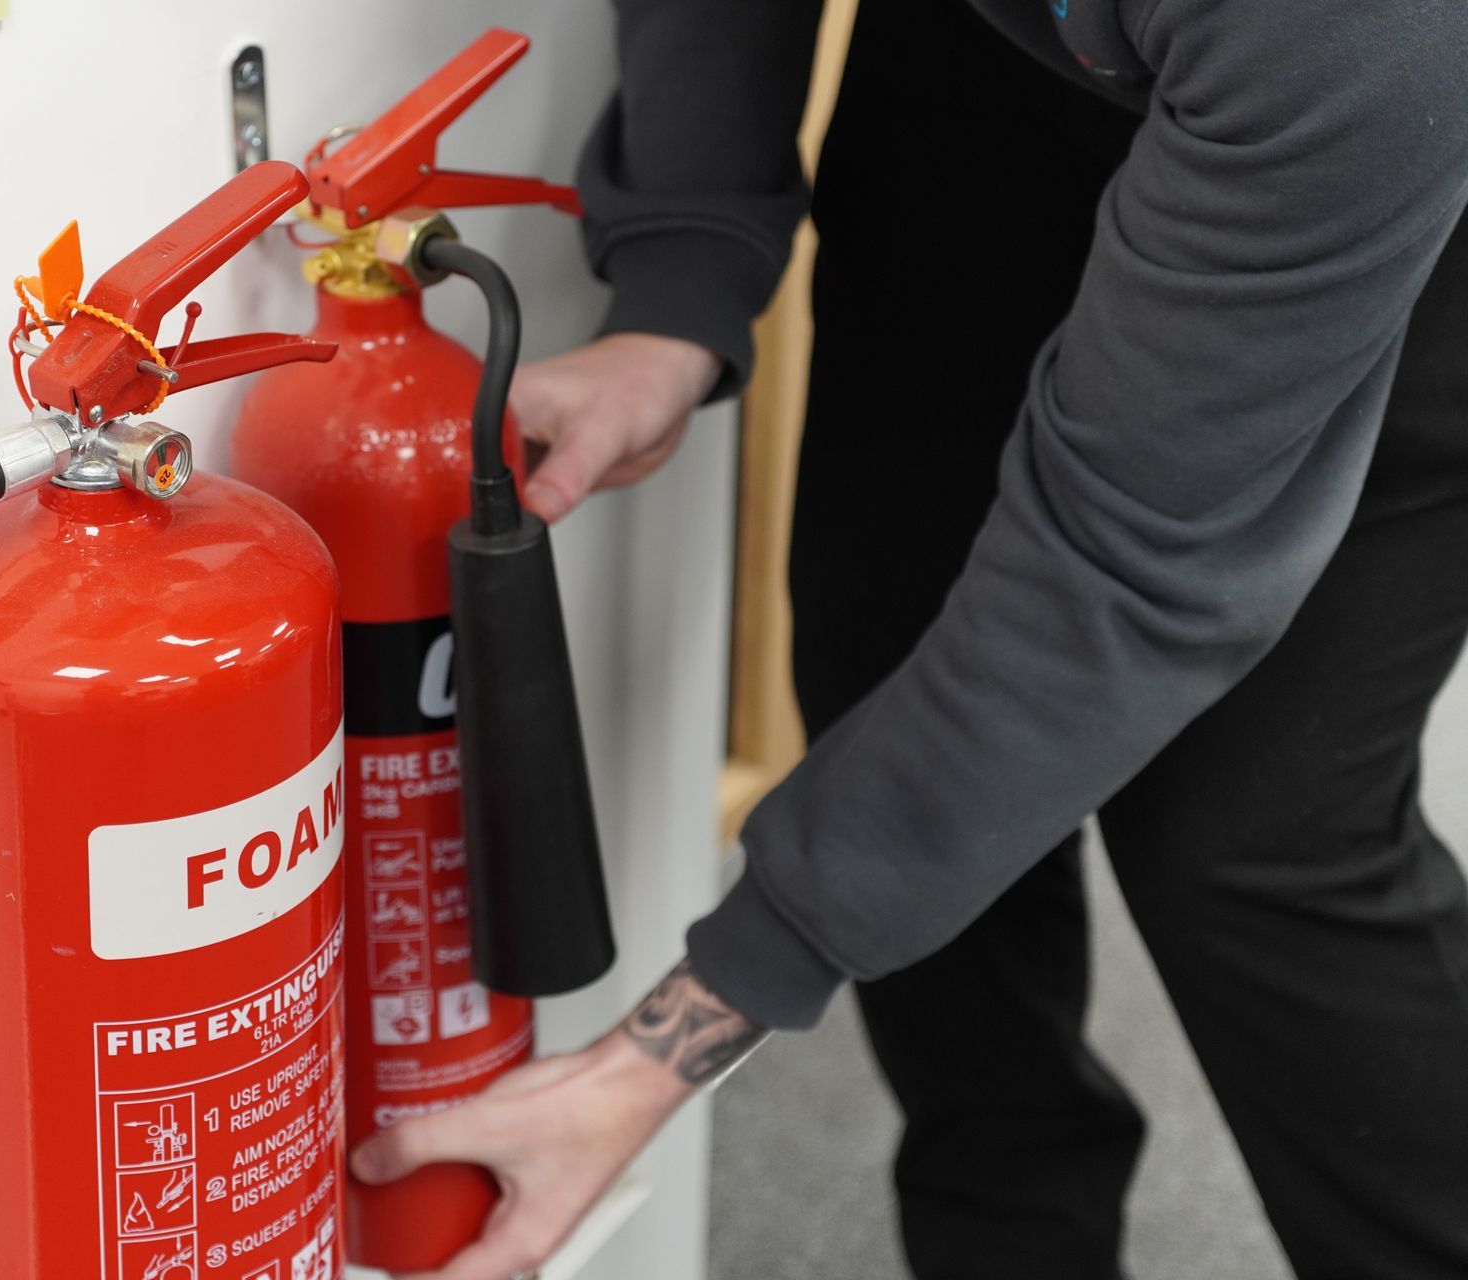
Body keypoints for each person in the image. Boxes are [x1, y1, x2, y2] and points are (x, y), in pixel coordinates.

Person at [352, 0, 1468, 1277]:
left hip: (1399, 150)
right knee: (882, 656)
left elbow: (1127, 566)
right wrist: (683, 271)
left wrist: (680, 1028)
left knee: (1250, 837)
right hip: (994, 65)